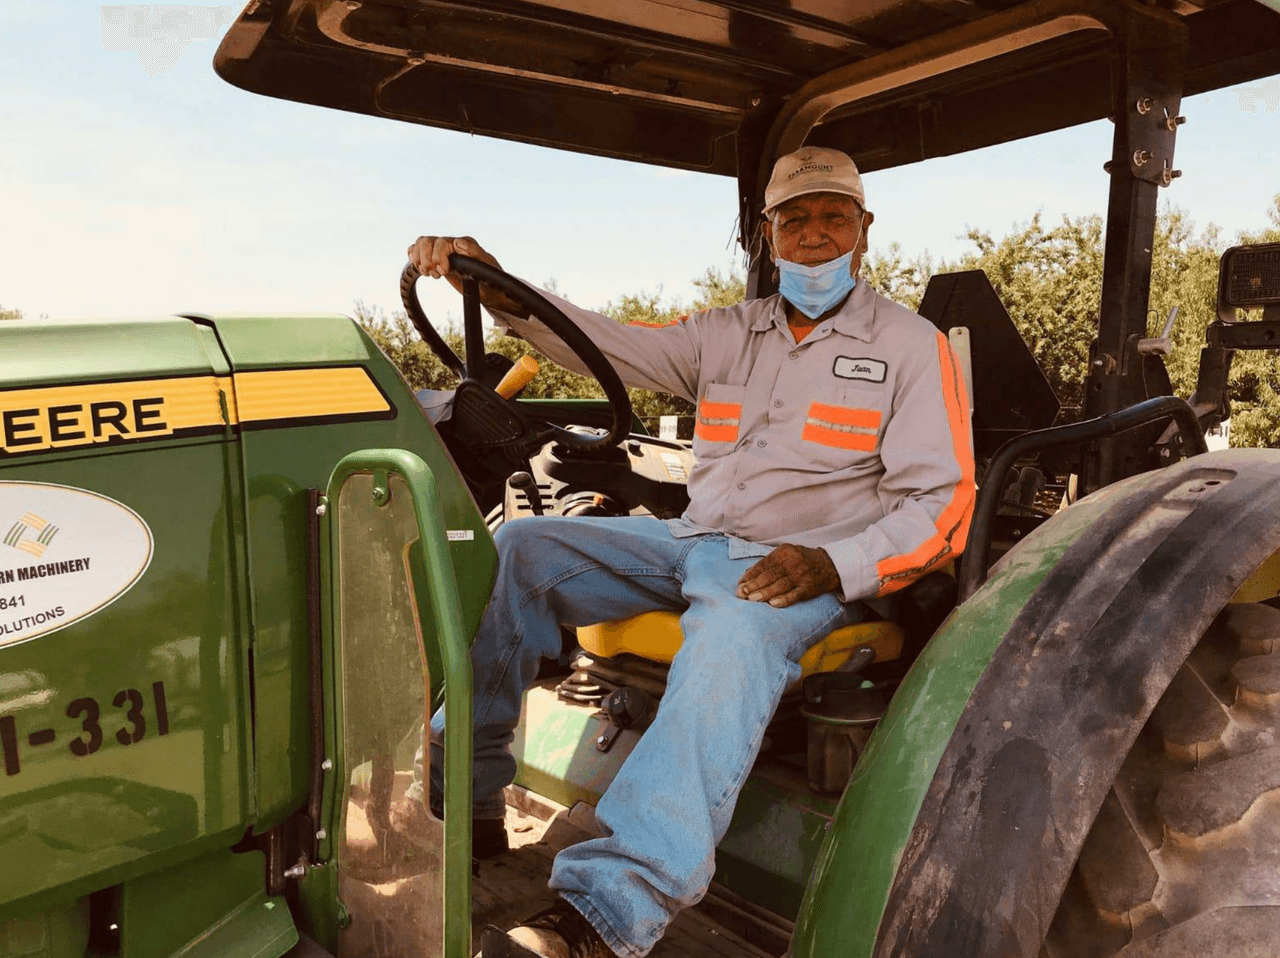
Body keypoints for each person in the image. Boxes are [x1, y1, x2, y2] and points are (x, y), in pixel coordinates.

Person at [406, 146, 975, 958]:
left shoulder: (912, 347)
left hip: (798, 568)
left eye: (834, 217)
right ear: (769, 234)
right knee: (525, 545)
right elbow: (602, 342)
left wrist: (829, 565)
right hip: (692, 539)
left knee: (733, 632)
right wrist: (502, 290)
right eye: (795, 219)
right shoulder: (725, 332)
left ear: (865, 228)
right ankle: (460, 792)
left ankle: (608, 910)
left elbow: (943, 506)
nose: (815, 234)